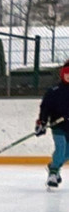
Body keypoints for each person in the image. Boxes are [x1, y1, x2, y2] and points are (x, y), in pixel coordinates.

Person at [35, 59, 69, 190]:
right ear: (62, 74)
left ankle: (53, 165)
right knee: (60, 149)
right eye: (67, 74)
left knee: (66, 153)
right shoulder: (54, 91)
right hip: (58, 126)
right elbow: (45, 108)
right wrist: (42, 122)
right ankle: (53, 174)